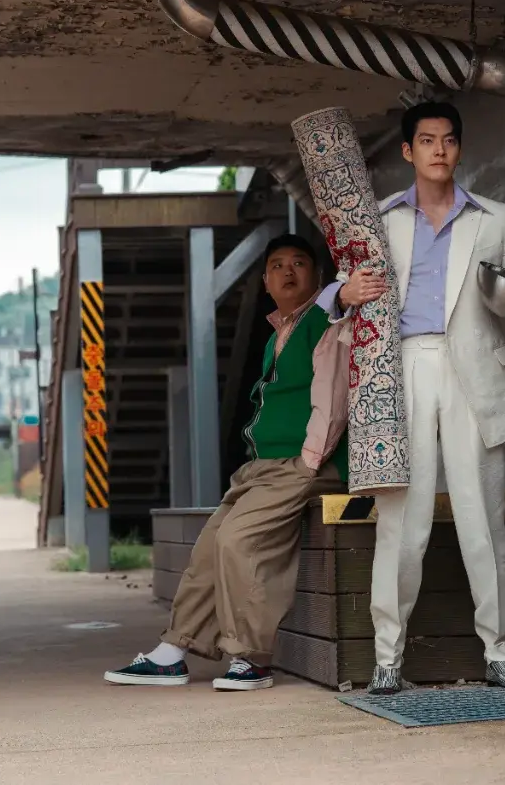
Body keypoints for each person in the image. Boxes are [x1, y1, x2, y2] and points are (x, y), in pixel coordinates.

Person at [319, 101, 505, 694]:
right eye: (427, 140)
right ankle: (388, 658)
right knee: (402, 522)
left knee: (484, 518)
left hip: (472, 370)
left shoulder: (498, 218)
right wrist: (343, 293)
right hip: (399, 370)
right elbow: (337, 290)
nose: (439, 150)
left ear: (459, 148)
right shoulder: (376, 218)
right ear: (408, 151)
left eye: (448, 140)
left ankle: (498, 651)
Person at [104, 233, 350, 691]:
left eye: (299, 263)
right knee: (208, 547)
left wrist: (308, 463)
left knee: (238, 541)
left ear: (318, 276)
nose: (288, 271)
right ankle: (173, 653)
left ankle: (251, 658)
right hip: (264, 466)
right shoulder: (278, 334)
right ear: (266, 282)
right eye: (277, 265)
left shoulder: (324, 323)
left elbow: (332, 397)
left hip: (303, 463)